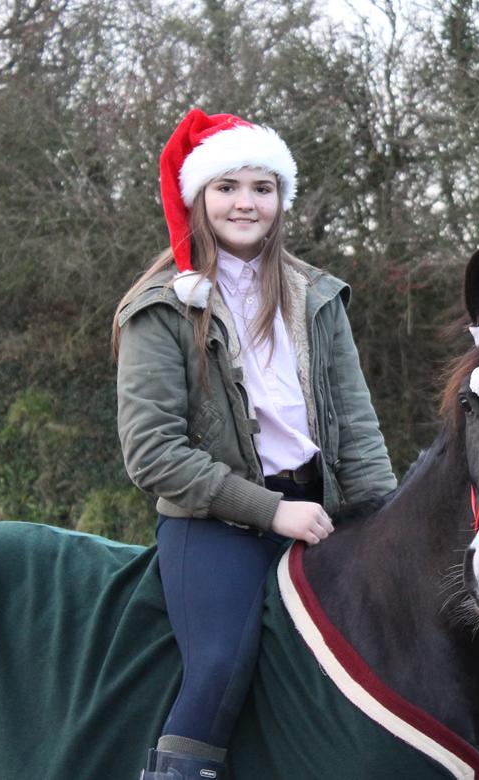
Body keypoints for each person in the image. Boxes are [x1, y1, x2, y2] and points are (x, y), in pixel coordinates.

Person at [111, 108, 397, 780]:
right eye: (227, 186)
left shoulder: (318, 297)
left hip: (319, 513)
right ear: (198, 197)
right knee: (219, 666)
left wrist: (385, 521)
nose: (246, 202)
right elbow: (152, 453)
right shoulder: (160, 307)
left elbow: (356, 429)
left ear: (281, 199)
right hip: (215, 523)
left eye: (261, 187)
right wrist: (269, 511)